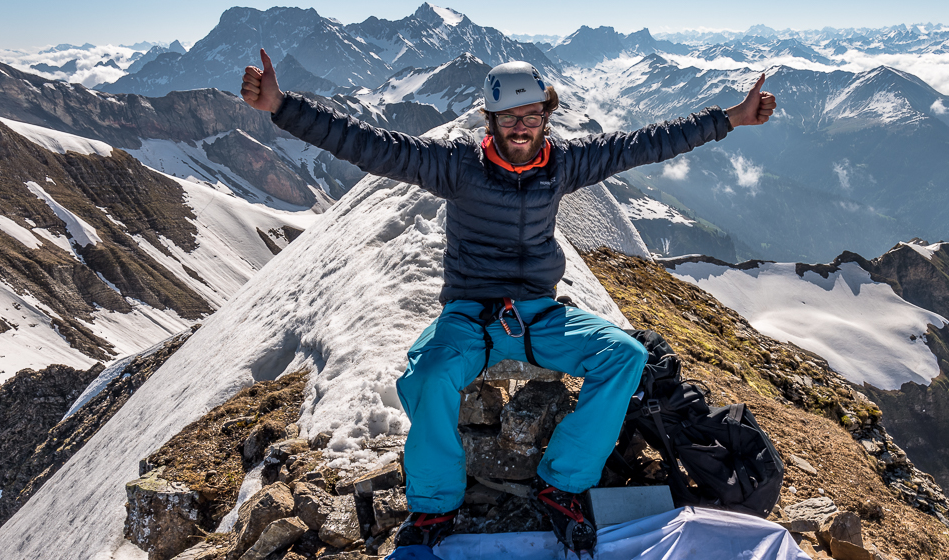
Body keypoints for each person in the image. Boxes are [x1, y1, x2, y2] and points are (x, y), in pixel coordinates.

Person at [242, 49, 775, 557]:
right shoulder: (456, 165)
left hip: (539, 315)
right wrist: (282, 108)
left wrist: (732, 117)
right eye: (508, 116)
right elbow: (367, 144)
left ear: (546, 114)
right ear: (488, 118)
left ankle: (561, 483)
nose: (521, 126)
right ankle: (433, 507)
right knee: (427, 375)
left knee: (626, 357)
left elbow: (647, 143)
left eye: (531, 115)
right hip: (470, 314)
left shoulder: (564, 164)